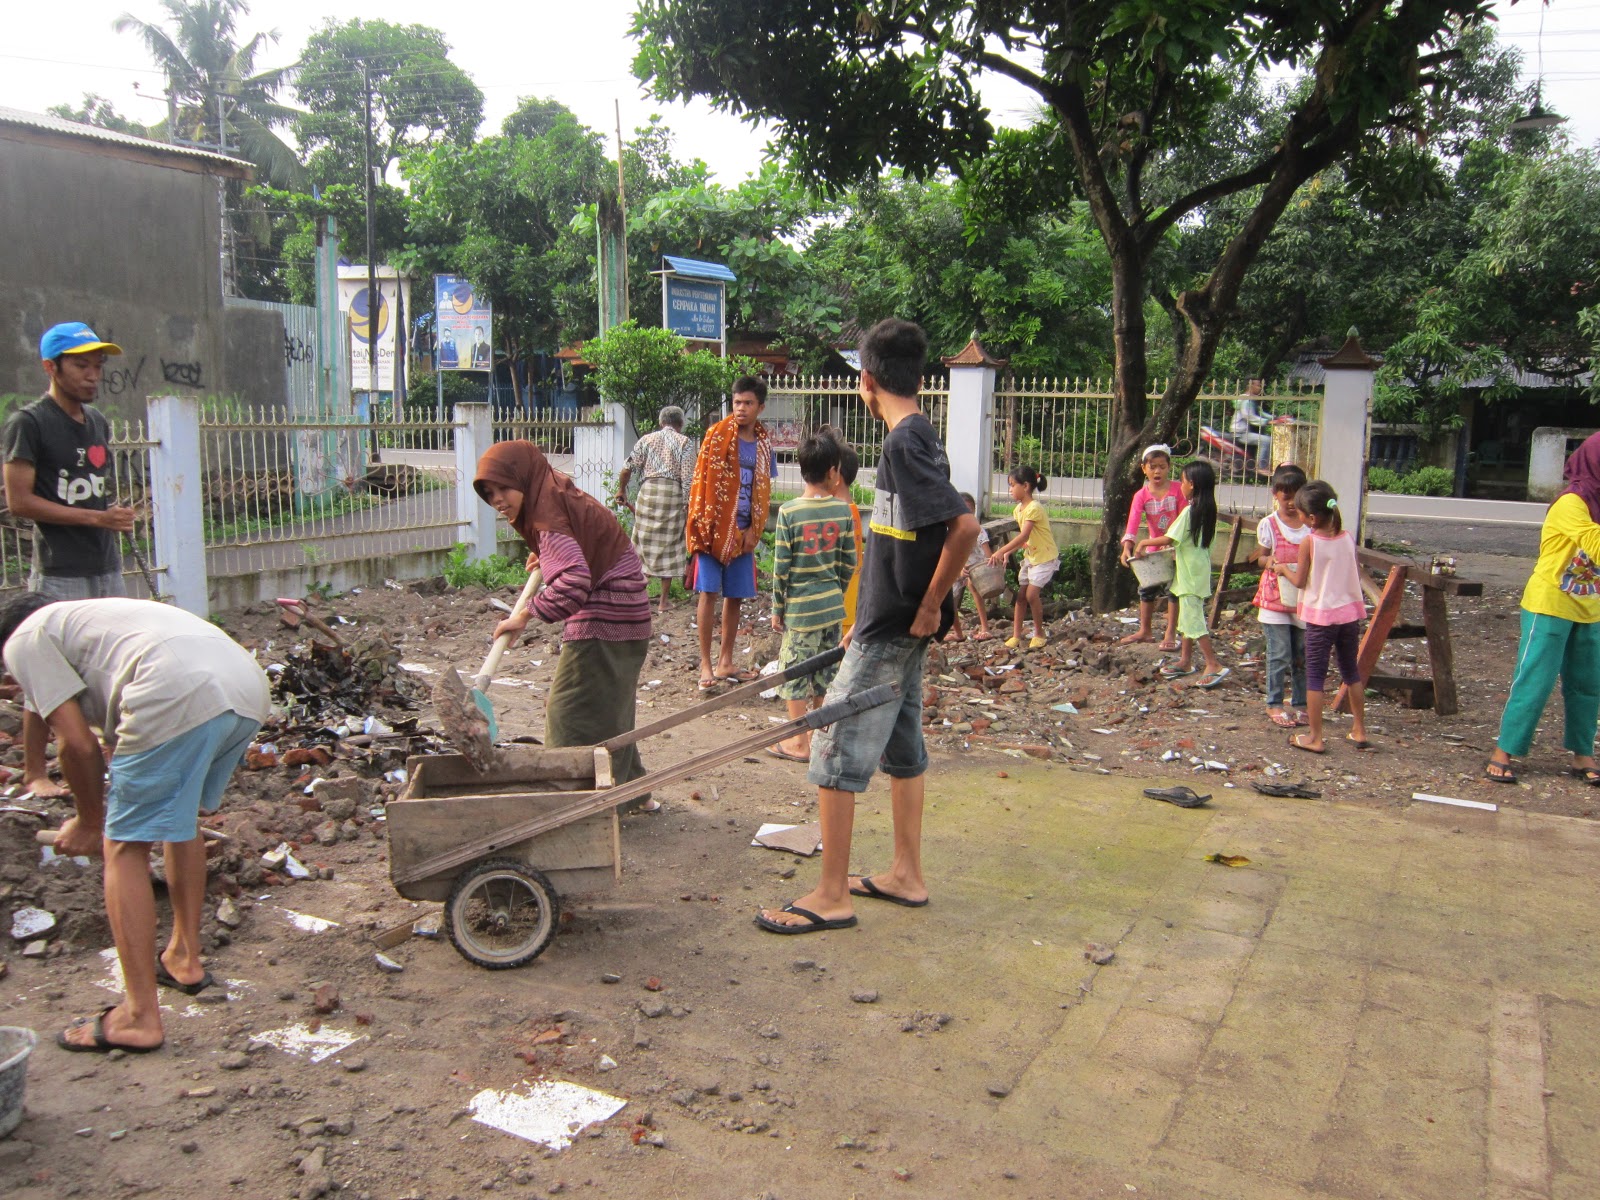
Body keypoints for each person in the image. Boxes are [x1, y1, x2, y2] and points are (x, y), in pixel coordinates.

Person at [757, 317, 978, 934]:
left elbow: (962, 527)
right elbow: (903, 537)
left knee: (831, 751)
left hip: (900, 627)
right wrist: (869, 615)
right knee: (903, 749)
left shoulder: (902, 443)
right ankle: (906, 873)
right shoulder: (921, 435)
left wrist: (933, 603)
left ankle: (832, 894)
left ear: (867, 379)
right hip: (891, 625)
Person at [0, 595, 270, 1054]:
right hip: (245, 689)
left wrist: (89, 821)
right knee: (178, 822)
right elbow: (95, 725)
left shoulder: (23, 641)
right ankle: (184, 958)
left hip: (175, 691)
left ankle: (138, 1017)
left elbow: (77, 745)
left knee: (123, 846)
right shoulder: (90, 620)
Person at [3, 321, 137, 801]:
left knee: (113, 663)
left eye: (97, 366)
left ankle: (106, 755)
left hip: (104, 565)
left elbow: (93, 493)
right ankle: (34, 771)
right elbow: (19, 502)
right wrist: (94, 520)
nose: (91, 375)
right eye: (81, 365)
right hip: (59, 569)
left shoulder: (97, 423)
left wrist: (110, 518)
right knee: (46, 672)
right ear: (51, 367)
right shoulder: (29, 424)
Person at [475, 441, 653, 789]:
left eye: (503, 487)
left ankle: (565, 799)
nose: (497, 499)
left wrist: (525, 615)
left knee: (567, 710)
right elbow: (581, 537)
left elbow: (573, 584)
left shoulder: (546, 517)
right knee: (610, 708)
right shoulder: (551, 487)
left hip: (606, 618)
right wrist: (549, 555)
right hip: (628, 611)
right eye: (489, 492)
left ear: (523, 478)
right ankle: (633, 792)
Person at [1484, 431, 1600, 786]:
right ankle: (1504, 750)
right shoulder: (1572, 502)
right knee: (1535, 679)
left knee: (1587, 684)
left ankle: (1583, 754)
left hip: (1590, 606)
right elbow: (1595, 545)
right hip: (1550, 603)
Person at [767, 434, 856, 762]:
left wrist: (778, 608)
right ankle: (820, 740)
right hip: (831, 609)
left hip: (801, 611)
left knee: (793, 673)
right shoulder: (843, 511)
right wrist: (835, 593)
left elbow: (781, 567)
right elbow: (850, 563)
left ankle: (798, 744)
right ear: (833, 471)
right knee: (824, 674)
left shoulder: (789, 512)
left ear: (802, 468)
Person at [685, 376, 775, 690]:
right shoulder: (715, 435)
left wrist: (754, 529)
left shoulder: (764, 444)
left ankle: (726, 661)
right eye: (737, 402)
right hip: (712, 531)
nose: (741, 408)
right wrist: (700, 525)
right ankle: (706, 665)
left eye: (748, 403)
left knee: (735, 597)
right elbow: (700, 483)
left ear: (760, 407)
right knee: (709, 593)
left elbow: (764, 488)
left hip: (745, 533)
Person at [1273, 480, 1371, 754]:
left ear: (1312, 518)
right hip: (1348, 614)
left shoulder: (1310, 542)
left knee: (1315, 676)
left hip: (1320, 618)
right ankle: (1359, 729)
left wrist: (1282, 569)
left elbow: (1301, 581)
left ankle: (1315, 737)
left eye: (1302, 514)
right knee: (1350, 670)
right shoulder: (1347, 537)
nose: (1299, 517)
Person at [1137, 460, 1229, 690]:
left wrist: (1144, 542)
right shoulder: (1207, 510)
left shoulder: (1191, 511)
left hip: (1190, 573)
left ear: (1192, 484)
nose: (1181, 485)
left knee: (1194, 621)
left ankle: (1212, 663)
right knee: (1187, 617)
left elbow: (1169, 538)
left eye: (1184, 480)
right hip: (1195, 569)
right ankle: (1186, 661)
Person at [614, 406, 697, 614]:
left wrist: (621, 490)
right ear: (680, 424)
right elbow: (688, 479)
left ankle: (636, 598)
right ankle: (663, 601)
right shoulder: (685, 443)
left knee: (643, 541)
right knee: (669, 545)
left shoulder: (646, 440)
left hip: (648, 493)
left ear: (661, 422)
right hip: (672, 495)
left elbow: (627, 469)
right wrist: (688, 505)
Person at [1251, 463, 1310, 729]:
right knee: (1279, 652)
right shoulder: (1269, 524)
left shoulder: (1312, 525)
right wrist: (1272, 563)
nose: (1290, 504)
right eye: (1286, 498)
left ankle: (1300, 703)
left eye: (1296, 498)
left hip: (1303, 598)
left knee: (1302, 653)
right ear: (1276, 494)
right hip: (1275, 598)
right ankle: (1274, 702)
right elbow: (1260, 557)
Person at [1119, 444, 1185, 649]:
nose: (1157, 471)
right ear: (1144, 468)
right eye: (1153, 466)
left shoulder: (1177, 490)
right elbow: (1133, 522)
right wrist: (1127, 547)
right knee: (1146, 588)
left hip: (1176, 549)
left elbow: (1184, 522)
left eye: (1162, 466)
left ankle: (1170, 633)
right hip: (1155, 550)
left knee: (1174, 591)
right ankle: (1145, 630)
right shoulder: (1141, 495)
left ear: (1169, 467)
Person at [988, 466, 1059, 650]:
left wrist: (1002, 551)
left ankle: (1039, 633)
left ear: (1025, 486)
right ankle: (1016, 635)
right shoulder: (1019, 510)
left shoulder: (1034, 508)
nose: (1010, 489)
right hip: (1031, 557)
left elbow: (1024, 536)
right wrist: (1009, 553)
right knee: (1021, 597)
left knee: (1031, 594)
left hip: (1044, 557)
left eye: (1012, 485)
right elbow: (1022, 539)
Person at [823, 433, 864, 639]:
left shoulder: (837, 514)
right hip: (849, 603)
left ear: (835, 475)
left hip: (838, 607)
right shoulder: (852, 510)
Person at [946, 492, 993, 642]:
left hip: (977, 568)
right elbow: (951, 556)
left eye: (970, 511)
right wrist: (959, 570)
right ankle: (958, 633)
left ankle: (985, 627)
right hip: (959, 568)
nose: (967, 515)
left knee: (973, 586)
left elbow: (987, 554)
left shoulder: (978, 531)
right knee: (948, 596)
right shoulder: (952, 532)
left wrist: (979, 569)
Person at [1231, 378, 1272, 473]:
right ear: (1251, 386)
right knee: (1266, 440)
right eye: (1258, 385)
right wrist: (1267, 422)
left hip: (1243, 431)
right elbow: (1249, 416)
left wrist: (1276, 418)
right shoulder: (1246, 400)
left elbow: (1261, 413)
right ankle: (1262, 467)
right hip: (1240, 432)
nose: (1260, 388)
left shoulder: (1250, 400)